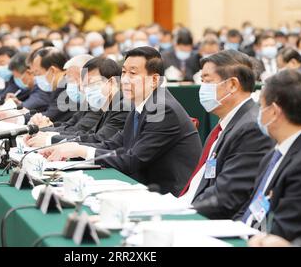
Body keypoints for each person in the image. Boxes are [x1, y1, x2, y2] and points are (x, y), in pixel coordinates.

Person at [39, 47, 202, 196]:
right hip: (142, 185)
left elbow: (132, 160)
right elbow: (111, 145)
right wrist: (71, 148)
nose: (124, 79)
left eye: (133, 73)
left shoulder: (164, 109)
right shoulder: (139, 106)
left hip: (167, 195)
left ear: (154, 80)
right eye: (123, 72)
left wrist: (81, 151)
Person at [178, 50, 273, 219]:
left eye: (208, 81)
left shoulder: (251, 128)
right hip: (193, 205)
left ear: (233, 85)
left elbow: (227, 197)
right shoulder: (226, 124)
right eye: (202, 81)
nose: (203, 88)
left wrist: (182, 213)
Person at [234, 70, 301, 242]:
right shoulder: (275, 154)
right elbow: (250, 210)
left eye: (261, 106)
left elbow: (286, 232)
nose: (258, 113)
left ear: (274, 112)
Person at [26, 57, 128, 147]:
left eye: (91, 83)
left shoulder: (122, 107)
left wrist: (50, 139)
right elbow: (86, 135)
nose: (87, 90)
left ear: (112, 82)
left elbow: (98, 139)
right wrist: (46, 132)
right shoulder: (105, 106)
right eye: (85, 85)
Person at [27, 47, 74, 124]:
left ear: (52, 70)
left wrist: (20, 117)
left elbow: (50, 116)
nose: (36, 78)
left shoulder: (68, 87)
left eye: (37, 73)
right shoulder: (60, 85)